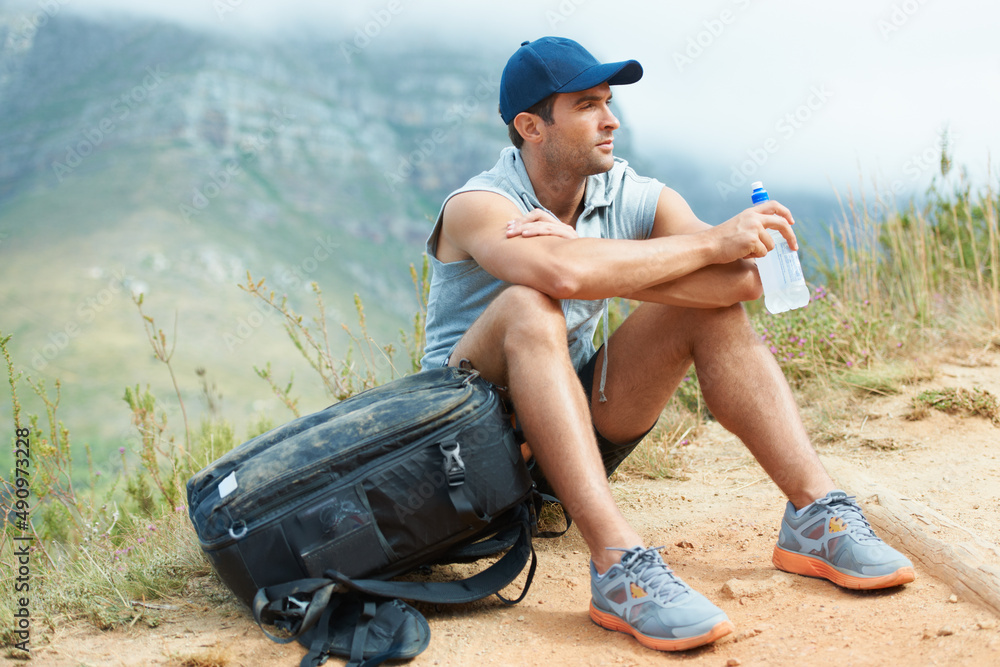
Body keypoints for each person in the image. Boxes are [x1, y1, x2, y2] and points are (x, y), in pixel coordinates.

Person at [420, 36, 914, 652]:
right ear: (531, 126)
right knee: (528, 305)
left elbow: (740, 281)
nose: (611, 118)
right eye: (586, 105)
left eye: (608, 100)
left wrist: (609, 260)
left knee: (711, 313)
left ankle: (815, 515)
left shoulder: (627, 193)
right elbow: (564, 277)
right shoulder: (479, 205)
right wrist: (695, 247)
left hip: (568, 440)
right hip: (460, 457)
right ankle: (617, 565)